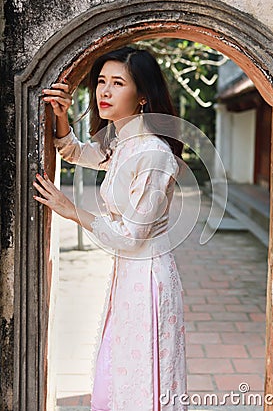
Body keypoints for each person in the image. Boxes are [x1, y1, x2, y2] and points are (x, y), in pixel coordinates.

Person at [33, 46, 187, 411]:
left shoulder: (153, 155)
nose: (104, 91)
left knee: (143, 380)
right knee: (118, 374)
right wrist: (60, 115)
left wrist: (71, 210)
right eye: (101, 81)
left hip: (148, 277)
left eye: (118, 83)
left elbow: (131, 236)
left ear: (143, 95)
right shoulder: (122, 144)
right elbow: (74, 152)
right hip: (129, 275)